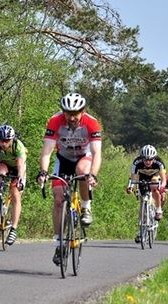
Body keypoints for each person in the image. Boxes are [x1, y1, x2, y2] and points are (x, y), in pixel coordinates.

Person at [36, 92, 102, 266]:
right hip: (63, 159)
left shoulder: (92, 122)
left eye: (75, 114)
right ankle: (59, 243)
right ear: (63, 112)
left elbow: (96, 153)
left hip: (84, 156)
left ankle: (86, 207)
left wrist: (93, 175)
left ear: (83, 111)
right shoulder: (55, 121)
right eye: (68, 113)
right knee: (58, 198)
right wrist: (43, 172)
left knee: (82, 171)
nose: (72, 118)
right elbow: (47, 151)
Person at [126, 145, 167, 243]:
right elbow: (133, 178)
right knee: (142, 202)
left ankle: (158, 210)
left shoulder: (159, 162)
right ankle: (140, 231)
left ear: (154, 158)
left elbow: (164, 179)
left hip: (155, 176)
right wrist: (130, 187)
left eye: (150, 159)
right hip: (142, 177)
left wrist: (161, 187)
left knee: (154, 187)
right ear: (142, 158)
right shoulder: (136, 162)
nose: (148, 162)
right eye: (145, 159)